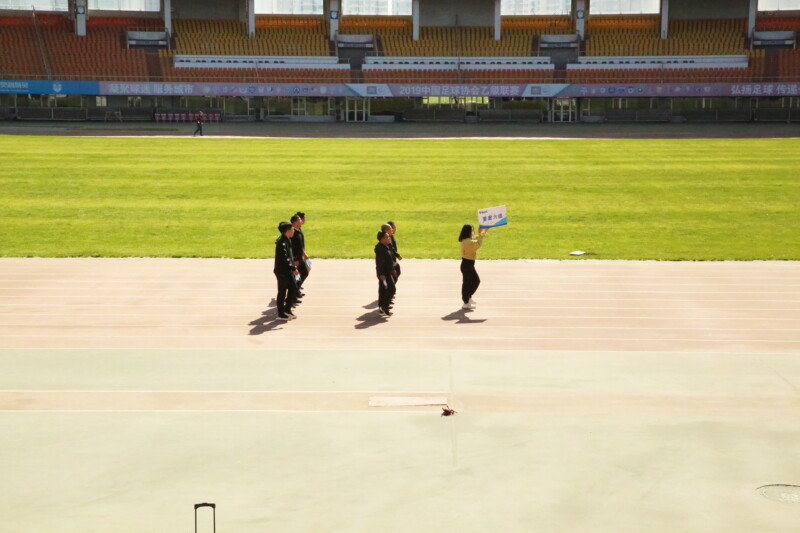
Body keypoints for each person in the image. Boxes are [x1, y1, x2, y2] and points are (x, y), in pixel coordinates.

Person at [274, 221, 300, 320]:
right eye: (292, 229)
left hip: (287, 270)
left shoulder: (287, 240)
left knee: (293, 288)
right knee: (282, 291)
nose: (294, 230)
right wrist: (293, 268)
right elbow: (286, 258)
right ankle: (281, 314)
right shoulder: (282, 242)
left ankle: (287, 309)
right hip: (282, 271)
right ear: (287, 230)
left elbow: (290, 256)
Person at [459, 224, 489, 309]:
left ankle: (468, 298)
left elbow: (476, 238)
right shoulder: (467, 242)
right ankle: (466, 301)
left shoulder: (467, 239)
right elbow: (478, 243)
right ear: (468, 231)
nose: (473, 231)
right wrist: (480, 233)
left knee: (471, 282)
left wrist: (484, 231)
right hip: (467, 264)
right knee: (471, 282)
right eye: (472, 230)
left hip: (468, 264)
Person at [375, 231, 396, 317]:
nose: (389, 238)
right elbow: (380, 263)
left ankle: (383, 307)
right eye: (387, 237)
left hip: (388, 272)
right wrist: (382, 274)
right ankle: (384, 307)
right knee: (391, 289)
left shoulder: (386, 246)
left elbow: (389, 259)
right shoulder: (380, 249)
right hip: (384, 274)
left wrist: (393, 269)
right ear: (382, 239)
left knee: (384, 290)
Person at [290, 212, 309, 298]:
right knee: (302, 273)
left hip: (299, 257)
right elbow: (291, 247)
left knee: (302, 273)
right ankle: (294, 292)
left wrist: (303, 253)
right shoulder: (292, 232)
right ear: (295, 222)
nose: (302, 221)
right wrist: (295, 259)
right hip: (296, 259)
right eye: (299, 220)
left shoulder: (298, 231)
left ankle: (295, 291)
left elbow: (300, 245)